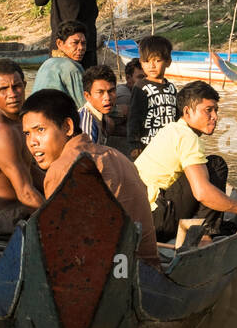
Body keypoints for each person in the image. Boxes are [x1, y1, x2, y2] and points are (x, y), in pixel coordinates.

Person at [20, 89, 159, 267]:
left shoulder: (63, 168)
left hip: (111, 280)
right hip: (146, 270)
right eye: (27, 134)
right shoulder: (115, 154)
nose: (32, 141)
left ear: (67, 127)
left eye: (40, 130)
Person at [135, 80, 237, 242]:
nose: (215, 117)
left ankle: (203, 227)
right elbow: (202, 193)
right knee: (215, 165)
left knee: (203, 169)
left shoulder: (171, 129)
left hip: (142, 218)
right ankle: (204, 235)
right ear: (187, 112)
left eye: (216, 110)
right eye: (208, 110)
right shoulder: (188, 137)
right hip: (157, 220)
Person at [0, 59, 45, 237]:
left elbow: (30, 171)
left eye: (17, 86)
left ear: (25, 85)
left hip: (21, 208)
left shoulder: (19, 123)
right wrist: (61, 219)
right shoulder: (1, 133)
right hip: (5, 219)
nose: (12, 94)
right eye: (3, 89)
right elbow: (26, 194)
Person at [127, 35, 177, 158]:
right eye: (147, 61)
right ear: (141, 63)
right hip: (147, 146)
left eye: (157, 60)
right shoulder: (141, 87)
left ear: (168, 62)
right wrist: (134, 144)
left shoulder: (171, 88)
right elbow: (134, 117)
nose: (152, 65)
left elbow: (177, 117)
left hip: (168, 146)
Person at [32, 21, 86, 100]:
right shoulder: (72, 68)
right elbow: (83, 106)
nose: (81, 48)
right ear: (60, 43)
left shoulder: (46, 63)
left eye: (84, 43)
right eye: (75, 43)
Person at [79, 64, 118, 144]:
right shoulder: (87, 124)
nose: (107, 97)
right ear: (87, 96)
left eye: (111, 91)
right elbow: (87, 155)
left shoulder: (101, 116)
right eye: (100, 92)